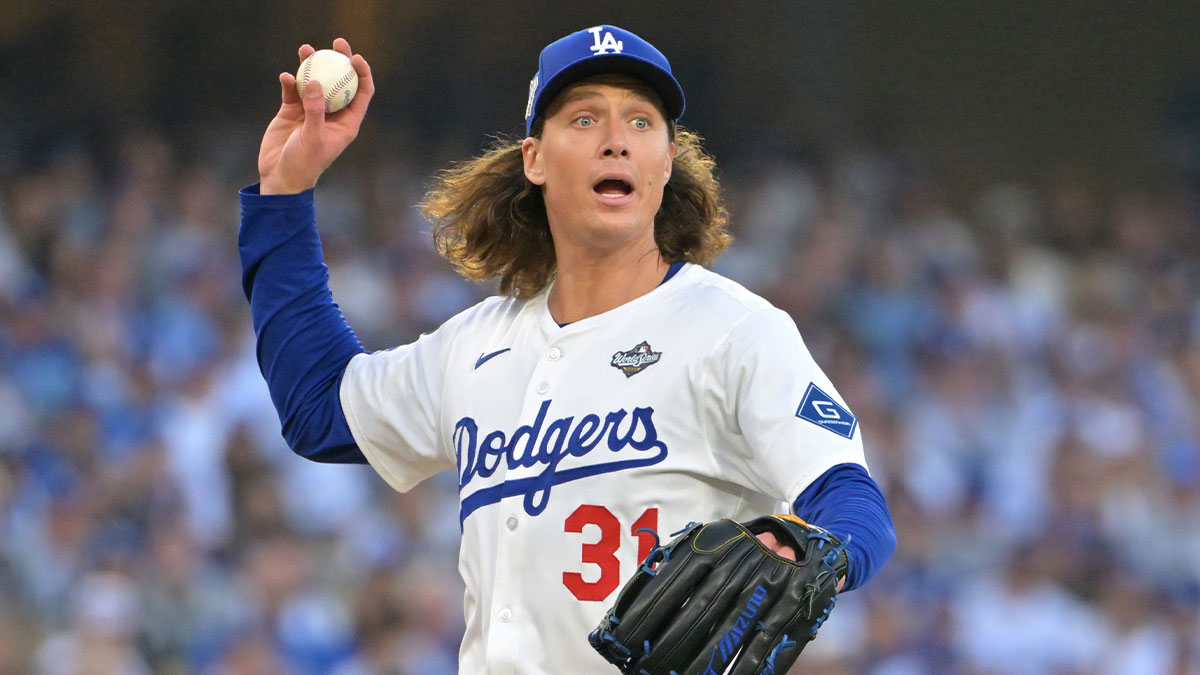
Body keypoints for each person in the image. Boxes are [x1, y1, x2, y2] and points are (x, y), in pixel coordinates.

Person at [239, 25, 896, 674]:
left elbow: (848, 495)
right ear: (534, 159)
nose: (616, 139)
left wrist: (807, 548)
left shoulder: (733, 331)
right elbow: (320, 406)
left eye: (641, 121)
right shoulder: (476, 345)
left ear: (666, 162)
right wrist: (284, 193)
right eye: (584, 118)